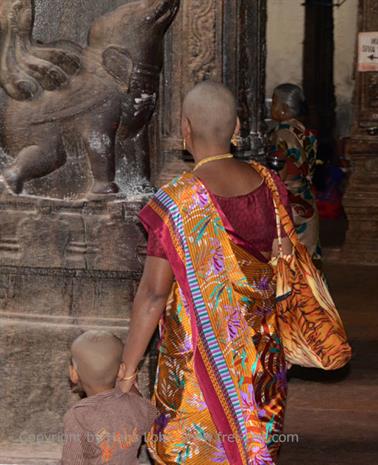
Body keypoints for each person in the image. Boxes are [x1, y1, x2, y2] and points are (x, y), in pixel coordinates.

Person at [119, 81, 294, 465]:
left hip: (200, 365)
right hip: (261, 362)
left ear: (184, 128)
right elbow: (284, 261)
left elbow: (152, 294)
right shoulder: (270, 184)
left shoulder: (178, 201)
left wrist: (127, 371)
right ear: (236, 130)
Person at [61, 330, 157, 465]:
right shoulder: (137, 404)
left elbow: (72, 461)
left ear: (73, 374)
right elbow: (158, 423)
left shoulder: (78, 417)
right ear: (121, 370)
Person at [269, 83, 321, 260]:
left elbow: (281, 172)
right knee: (309, 260)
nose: (271, 106)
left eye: (274, 102)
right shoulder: (304, 131)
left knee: (289, 262)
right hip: (307, 200)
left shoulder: (281, 135)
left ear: (283, 109)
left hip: (290, 203)